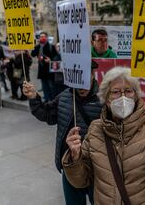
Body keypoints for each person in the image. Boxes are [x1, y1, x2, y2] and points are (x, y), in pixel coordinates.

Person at [62, 67, 145, 204]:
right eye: (116, 92)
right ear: (106, 97)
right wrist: (75, 158)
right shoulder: (95, 130)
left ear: (135, 95)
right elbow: (81, 181)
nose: (123, 97)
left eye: (128, 91)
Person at [23, 61, 101, 205]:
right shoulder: (64, 97)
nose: (82, 86)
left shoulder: (103, 100)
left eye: (86, 77)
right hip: (70, 166)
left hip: (96, 168)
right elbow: (46, 114)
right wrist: (34, 97)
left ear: (92, 75)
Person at [31, 32, 58, 101]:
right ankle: (46, 99)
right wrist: (34, 46)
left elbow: (56, 57)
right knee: (44, 86)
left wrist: (50, 60)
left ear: (46, 37)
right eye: (40, 37)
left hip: (49, 70)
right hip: (42, 70)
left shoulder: (51, 47)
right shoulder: (37, 47)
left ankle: (53, 100)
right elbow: (33, 54)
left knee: (51, 87)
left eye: (43, 36)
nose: (42, 38)